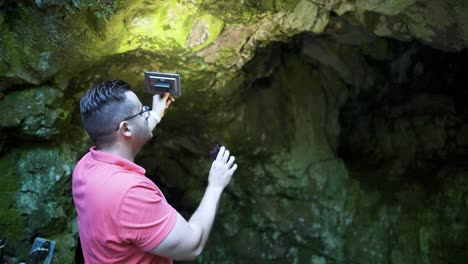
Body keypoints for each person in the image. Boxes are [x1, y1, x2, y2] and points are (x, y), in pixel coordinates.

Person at [72, 80, 238, 263]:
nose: (146, 114)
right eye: (142, 111)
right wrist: (215, 185)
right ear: (126, 128)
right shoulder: (130, 195)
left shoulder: (85, 167)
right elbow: (193, 246)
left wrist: (155, 115)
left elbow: (123, 144)